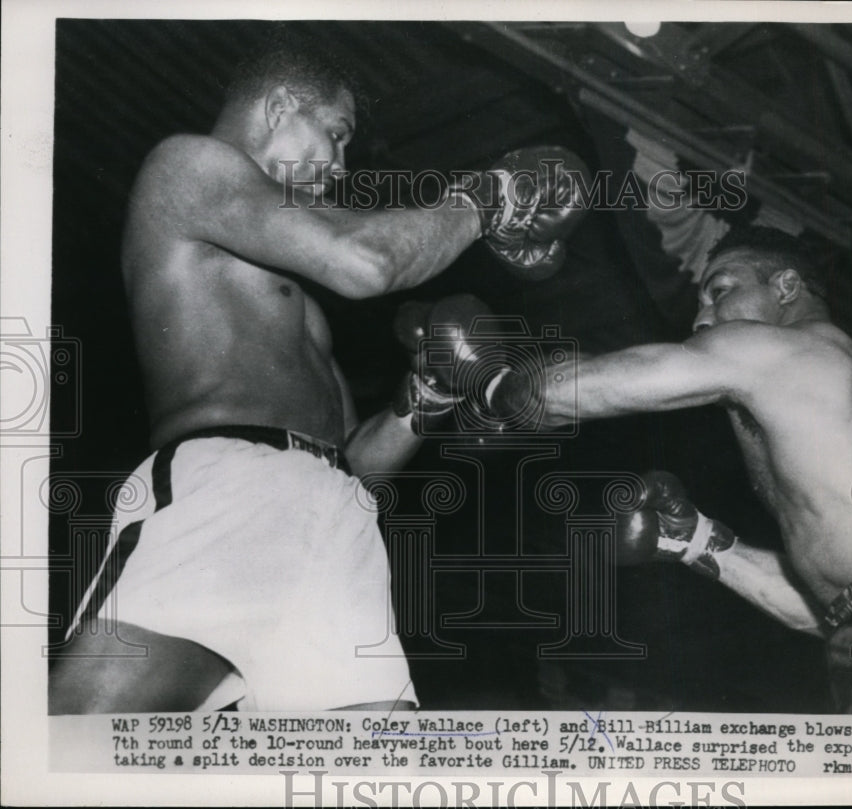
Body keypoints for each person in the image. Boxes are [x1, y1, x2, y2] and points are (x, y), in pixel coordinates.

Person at [49, 38, 588, 713]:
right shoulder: (186, 166)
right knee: (77, 748)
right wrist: (495, 193)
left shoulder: (298, 305)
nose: (338, 164)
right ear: (279, 107)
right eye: (334, 134)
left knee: (376, 777)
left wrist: (425, 397)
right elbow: (364, 262)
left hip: (337, 520)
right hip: (223, 495)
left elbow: (350, 466)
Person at [427, 225, 852, 715]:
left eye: (722, 289)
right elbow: (829, 610)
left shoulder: (780, 349)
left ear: (785, 288)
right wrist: (696, 542)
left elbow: (584, 390)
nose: (702, 317)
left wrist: (494, 382)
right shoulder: (849, 407)